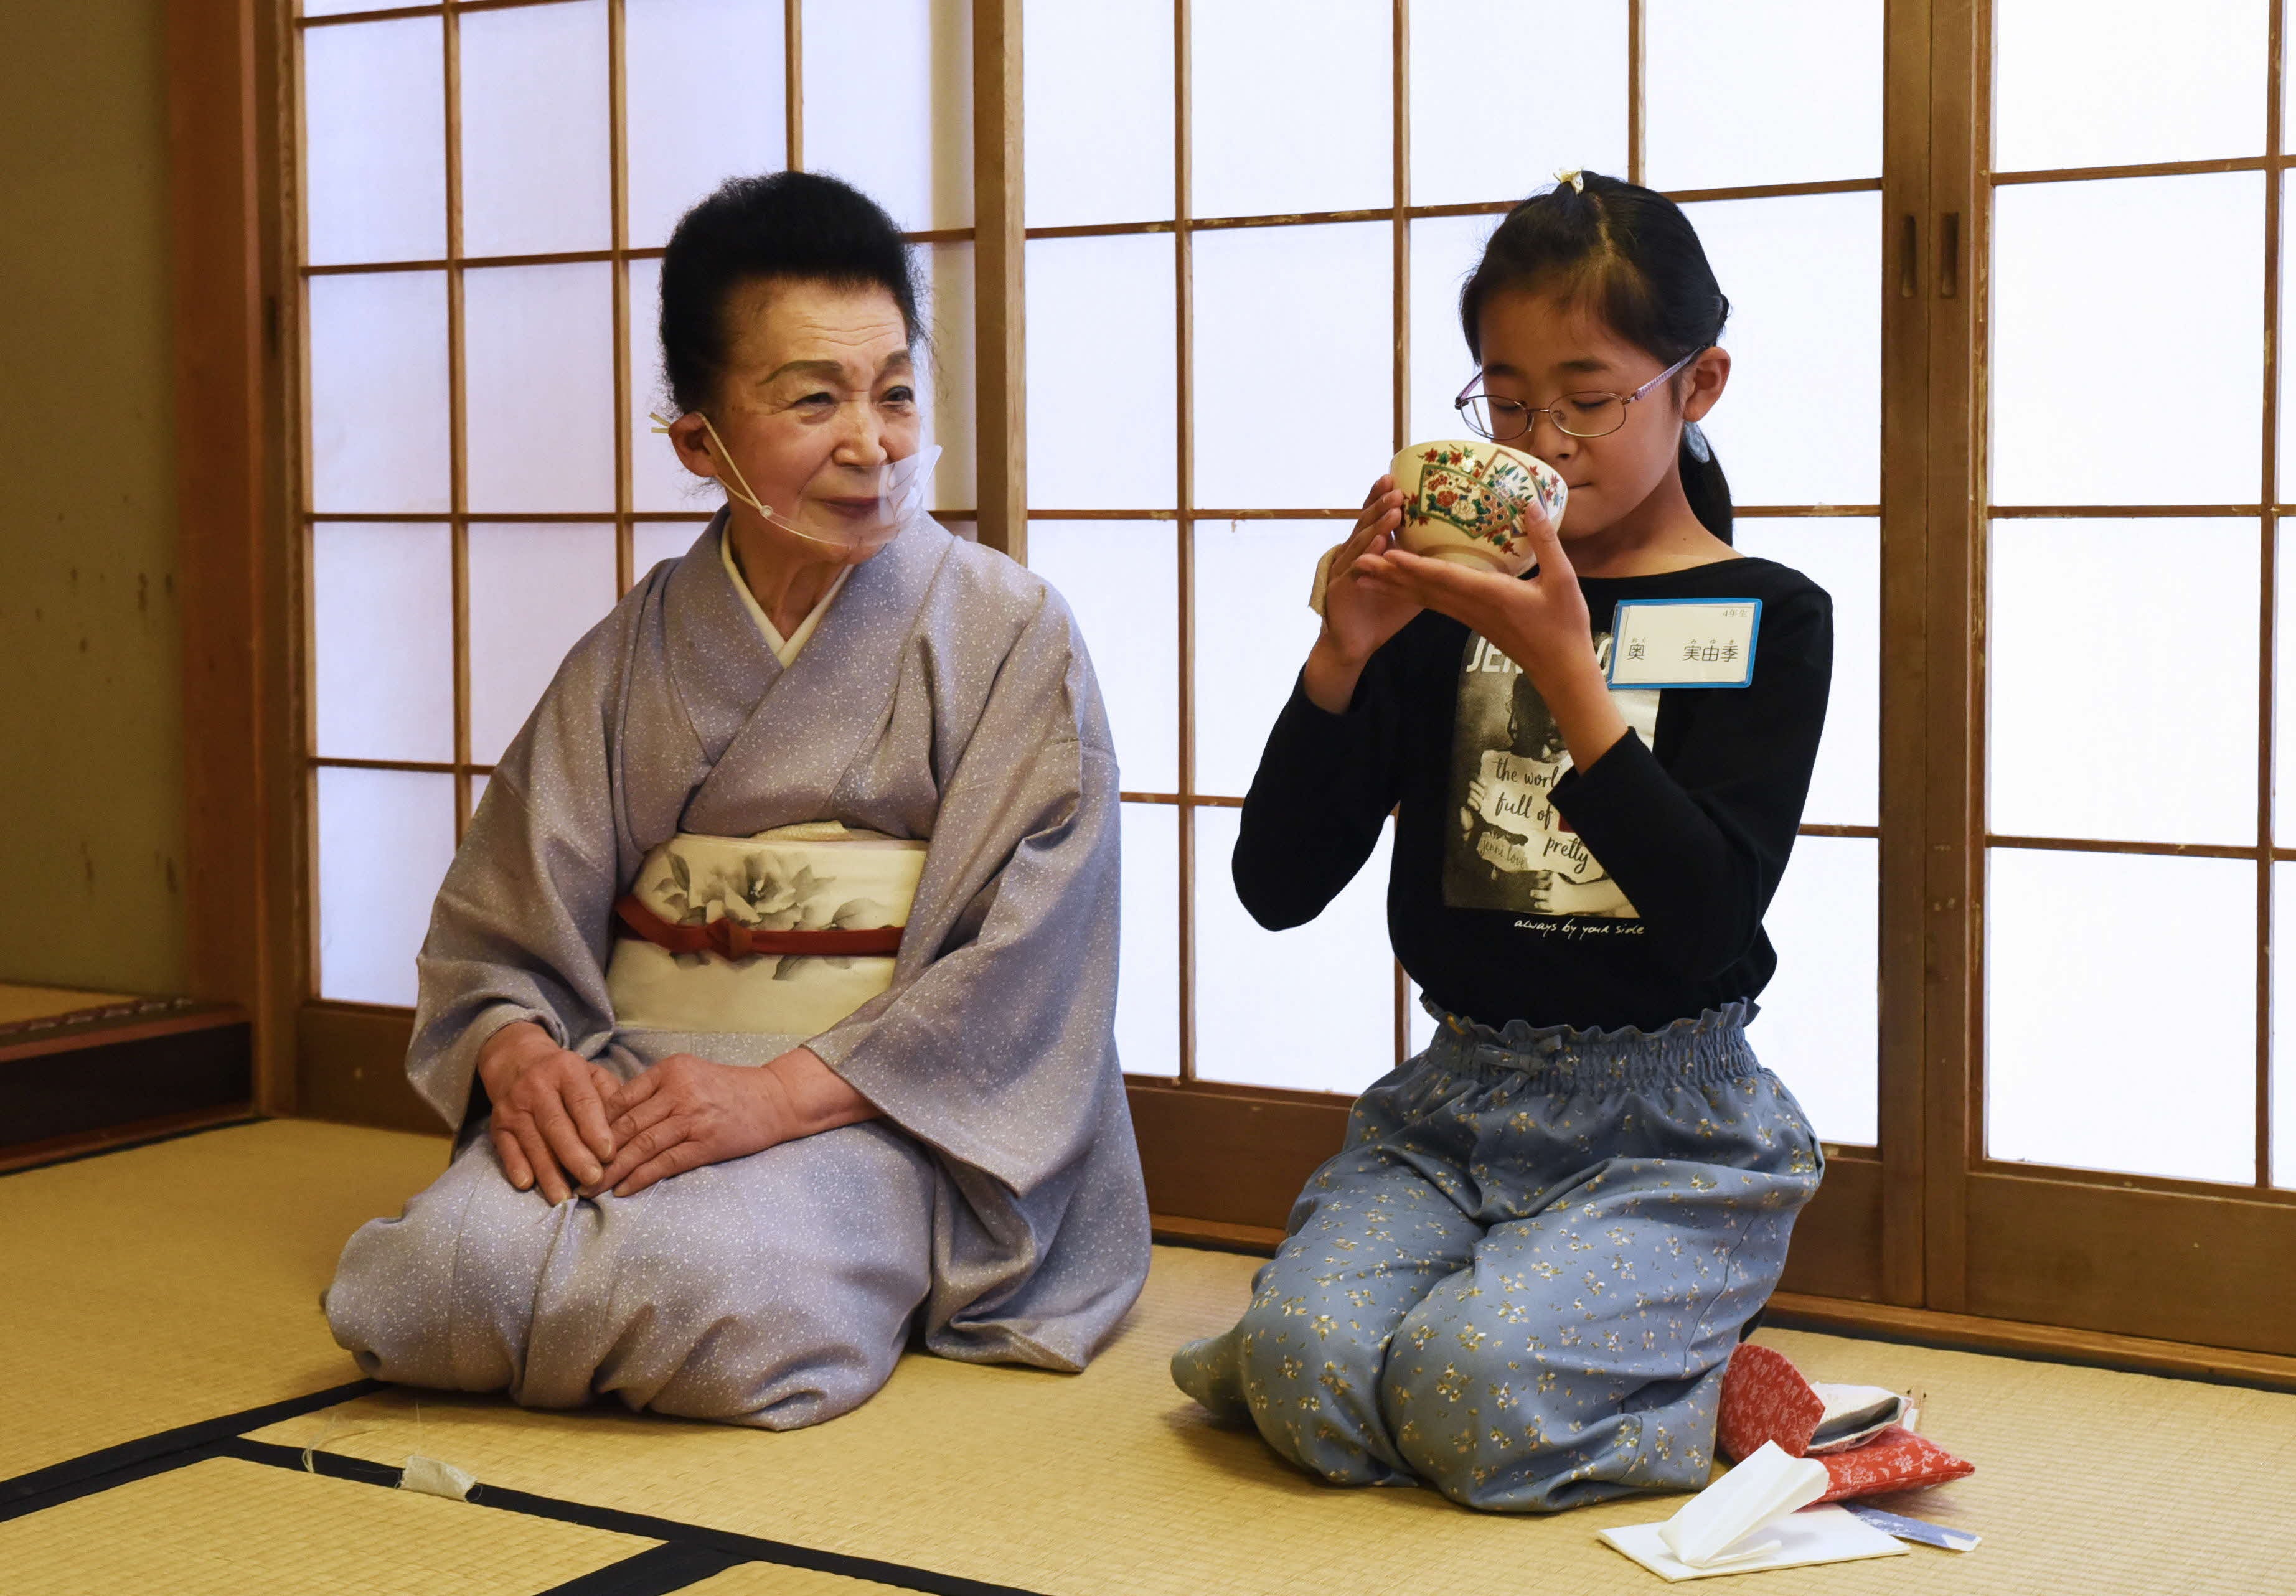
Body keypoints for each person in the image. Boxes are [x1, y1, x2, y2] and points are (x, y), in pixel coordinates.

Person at [326, 171, 1150, 1430]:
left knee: (711, 1301)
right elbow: (504, 915)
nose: (871, 443)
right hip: (640, 1081)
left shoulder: (1006, 633)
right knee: (420, 1283)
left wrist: (777, 1093)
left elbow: (1031, 957)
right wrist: (520, 1051)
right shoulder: (633, 650)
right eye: (814, 399)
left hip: (879, 1100)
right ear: (699, 442)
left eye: (894, 392)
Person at [1170, 171, 1832, 1511]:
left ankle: (1693, 1388)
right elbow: (1275, 887)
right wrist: (1342, 655)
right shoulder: (1434, 616)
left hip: (1669, 1131)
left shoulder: (1770, 612)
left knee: (1461, 1398)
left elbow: (1712, 922)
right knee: (1301, 1373)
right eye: (1504, 398)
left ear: (1695, 386)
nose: (1542, 437)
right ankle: (1509, 1342)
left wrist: (1567, 672)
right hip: (1454, 1107)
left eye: (1586, 400)